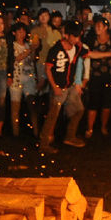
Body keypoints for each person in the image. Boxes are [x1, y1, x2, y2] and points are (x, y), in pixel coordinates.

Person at [39, 21, 86, 153]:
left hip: (69, 86)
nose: (77, 39)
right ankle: (44, 143)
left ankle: (70, 136)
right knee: (53, 114)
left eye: (78, 37)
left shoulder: (77, 48)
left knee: (79, 110)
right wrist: (54, 87)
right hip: (59, 87)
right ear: (68, 35)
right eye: (75, 37)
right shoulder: (56, 49)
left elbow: (91, 54)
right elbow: (48, 68)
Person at [81, 18, 111, 140]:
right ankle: (90, 128)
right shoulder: (91, 40)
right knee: (93, 102)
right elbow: (87, 54)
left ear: (106, 27)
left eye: (100, 26)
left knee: (107, 103)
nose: (97, 28)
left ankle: (103, 126)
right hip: (95, 76)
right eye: (96, 26)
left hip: (110, 76)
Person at [8, 22, 41, 141]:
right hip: (16, 79)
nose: (21, 34)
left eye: (23, 31)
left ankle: (36, 132)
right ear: (14, 33)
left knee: (32, 105)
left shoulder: (28, 44)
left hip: (29, 80)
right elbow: (17, 58)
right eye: (19, 31)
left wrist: (34, 49)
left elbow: (32, 60)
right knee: (15, 108)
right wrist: (31, 49)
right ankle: (15, 133)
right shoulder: (12, 45)